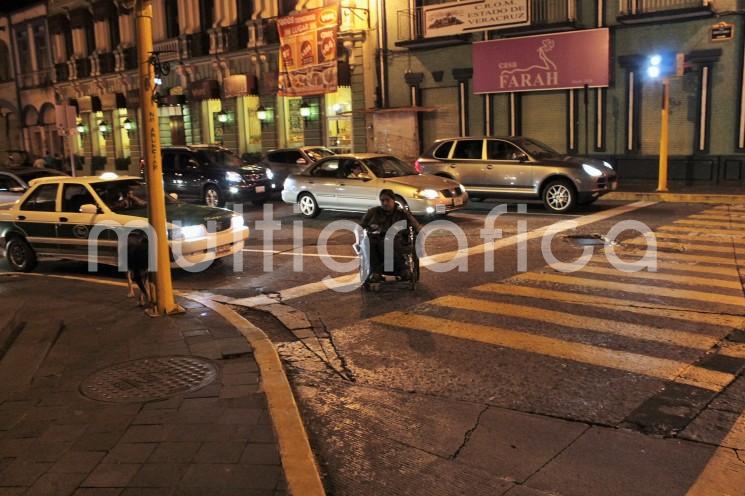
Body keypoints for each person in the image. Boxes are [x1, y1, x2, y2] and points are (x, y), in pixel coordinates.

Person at [359, 189, 421, 282]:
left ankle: (401, 269)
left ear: (393, 200)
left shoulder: (402, 214)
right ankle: (375, 272)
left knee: (385, 242)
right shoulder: (373, 212)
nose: (385, 203)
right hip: (376, 240)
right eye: (382, 200)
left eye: (387, 200)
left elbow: (417, 227)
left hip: (397, 241)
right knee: (369, 243)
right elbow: (360, 227)